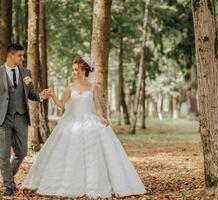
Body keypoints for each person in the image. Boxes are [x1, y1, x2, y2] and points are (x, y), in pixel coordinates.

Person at [21, 56, 146, 198]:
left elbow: (98, 106)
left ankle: (96, 185)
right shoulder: (70, 87)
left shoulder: (93, 88)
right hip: (72, 123)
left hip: (90, 122)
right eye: (73, 69)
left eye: (76, 70)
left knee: (94, 155)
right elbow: (61, 104)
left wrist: (102, 117)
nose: (73, 72)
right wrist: (52, 95)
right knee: (69, 154)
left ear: (83, 71)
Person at [0, 43, 49, 196]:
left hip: (21, 117)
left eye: (23, 55)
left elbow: (30, 94)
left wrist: (41, 96)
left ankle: (8, 177)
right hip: (3, 118)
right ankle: (9, 185)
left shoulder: (25, 72)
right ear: (10, 55)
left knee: (21, 152)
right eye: (20, 55)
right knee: (3, 154)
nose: (22, 58)